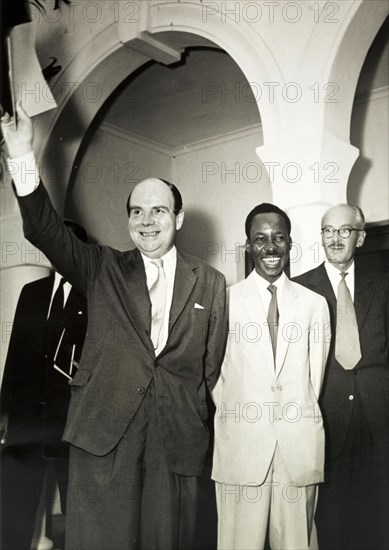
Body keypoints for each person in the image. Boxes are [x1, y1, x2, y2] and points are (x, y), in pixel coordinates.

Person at [1, 102, 227, 550]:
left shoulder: (212, 282)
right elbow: (45, 231)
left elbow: (211, 368)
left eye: (159, 211)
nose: (147, 221)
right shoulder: (101, 268)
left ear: (178, 218)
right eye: (137, 212)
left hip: (176, 444)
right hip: (104, 439)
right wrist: (22, 154)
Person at [212, 203, 331, 550]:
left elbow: (315, 378)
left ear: (290, 243)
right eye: (260, 239)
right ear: (248, 245)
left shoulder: (314, 304)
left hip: (297, 446)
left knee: (297, 543)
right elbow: (216, 376)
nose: (271, 247)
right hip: (242, 446)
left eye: (279, 237)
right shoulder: (225, 300)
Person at [294, 204, 389, 550]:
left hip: (379, 425)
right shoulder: (300, 290)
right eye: (327, 231)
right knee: (332, 525)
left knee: (377, 523)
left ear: (360, 237)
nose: (334, 239)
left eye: (344, 231)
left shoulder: (383, 286)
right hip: (328, 425)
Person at [0, 221, 88, 550]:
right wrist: (4, 410)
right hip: (25, 425)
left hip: (71, 429)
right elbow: (16, 356)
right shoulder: (31, 293)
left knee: (78, 514)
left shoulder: (96, 299)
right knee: (15, 508)